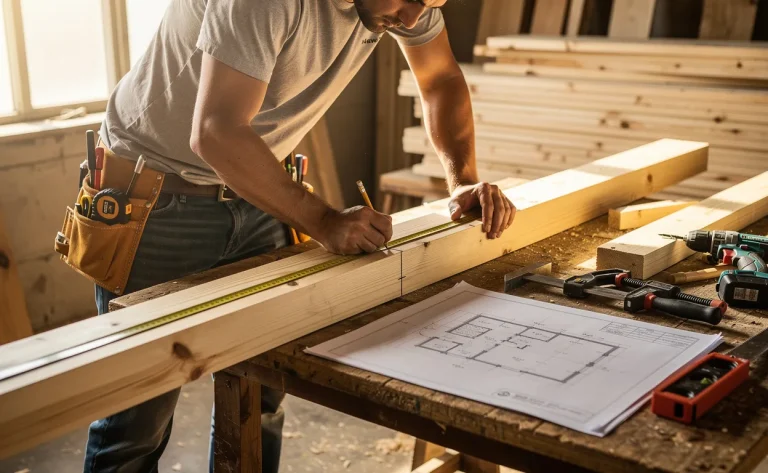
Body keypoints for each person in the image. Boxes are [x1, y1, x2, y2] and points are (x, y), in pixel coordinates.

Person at [82, 0, 516, 472]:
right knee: (136, 423)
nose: (413, 18)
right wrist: (325, 221)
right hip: (156, 200)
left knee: (259, 397)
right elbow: (215, 132)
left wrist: (462, 181)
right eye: (408, 0)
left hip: (257, 192)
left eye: (430, 3)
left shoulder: (406, 3)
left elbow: (441, 80)